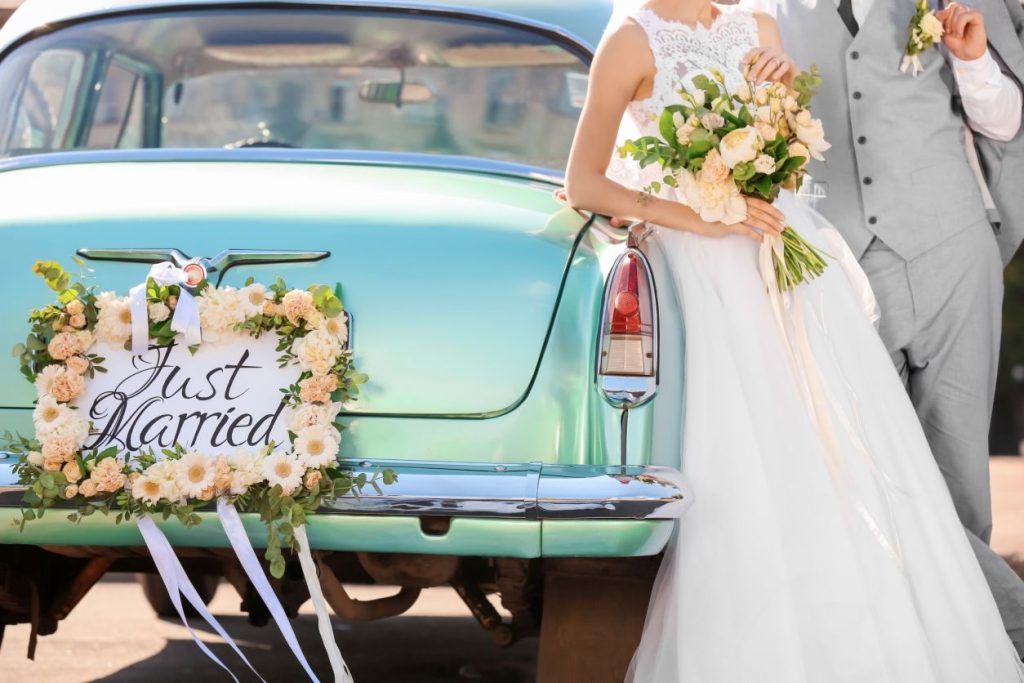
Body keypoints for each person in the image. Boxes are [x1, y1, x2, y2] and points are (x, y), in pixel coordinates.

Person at [563, 1, 1024, 680]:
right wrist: (694, 215)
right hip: (710, 280)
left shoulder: (758, 30)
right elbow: (584, 181)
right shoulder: (635, 42)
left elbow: (784, 174)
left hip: (804, 272)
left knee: (866, 468)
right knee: (758, 473)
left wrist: (777, 105)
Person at [745, 0, 1024, 658]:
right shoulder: (766, 14)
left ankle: (954, 654)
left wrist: (973, 59)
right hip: (835, 279)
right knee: (870, 478)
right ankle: (1007, 631)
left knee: (959, 485)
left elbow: (1006, 125)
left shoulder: (945, 6)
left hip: (951, 254)